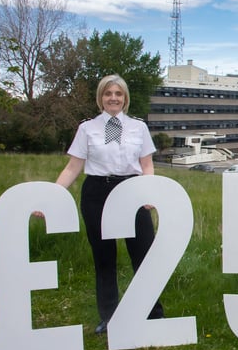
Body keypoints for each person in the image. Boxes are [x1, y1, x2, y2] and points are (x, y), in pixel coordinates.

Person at [51, 74, 163, 334]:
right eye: (108, 93)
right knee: (104, 259)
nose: (113, 98)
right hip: (97, 193)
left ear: (125, 99)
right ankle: (109, 318)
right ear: (100, 98)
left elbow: (147, 165)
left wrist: (149, 193)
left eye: (118, 94)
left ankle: (153, 315)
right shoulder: (86, 129)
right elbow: (72, 167)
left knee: (144, 255)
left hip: (132, 191)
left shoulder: (139, 128)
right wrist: (52, 195)